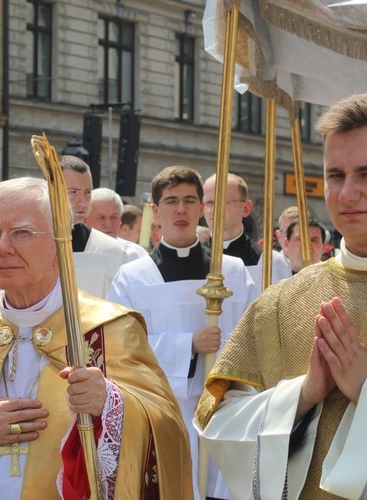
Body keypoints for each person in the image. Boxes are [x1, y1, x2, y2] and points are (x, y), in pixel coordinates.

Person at [0, 176, 192, 499]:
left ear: (60, 242)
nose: (3, 248)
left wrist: (110, 403)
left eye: (21, 233)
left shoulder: (110, 328)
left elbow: (169, 434)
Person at [195, 91, 367, 498]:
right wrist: (302, 396)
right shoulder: (280, 303)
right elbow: (218, 425)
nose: (346, 193)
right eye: (335, 175)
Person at [107, 165, 255, 499]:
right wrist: (188, 345)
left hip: (225, 411)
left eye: (190, 200)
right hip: (163, 415)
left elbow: (253, 337)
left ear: (203, 207)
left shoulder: (230, 270)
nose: (181, 210)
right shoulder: (132, 278)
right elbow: (119, 352)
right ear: (156, 211)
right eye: (171, 201)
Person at [203, 172, 291, 289]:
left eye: (225, 202)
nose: (215, 210)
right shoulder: (192, 260)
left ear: (246, 208)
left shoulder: (273, 263)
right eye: (209, 203)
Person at [60, 155, 129, 298]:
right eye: (73, 192)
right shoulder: (28, 243)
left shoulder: (111, 251)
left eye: (87, 192)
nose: (83, 202)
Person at [86, 188, 148, 261]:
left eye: (114, 217)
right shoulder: (75, 252)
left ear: (120, 219)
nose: (108, 225)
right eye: (101, 217)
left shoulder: (137, 255)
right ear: (86, 220)